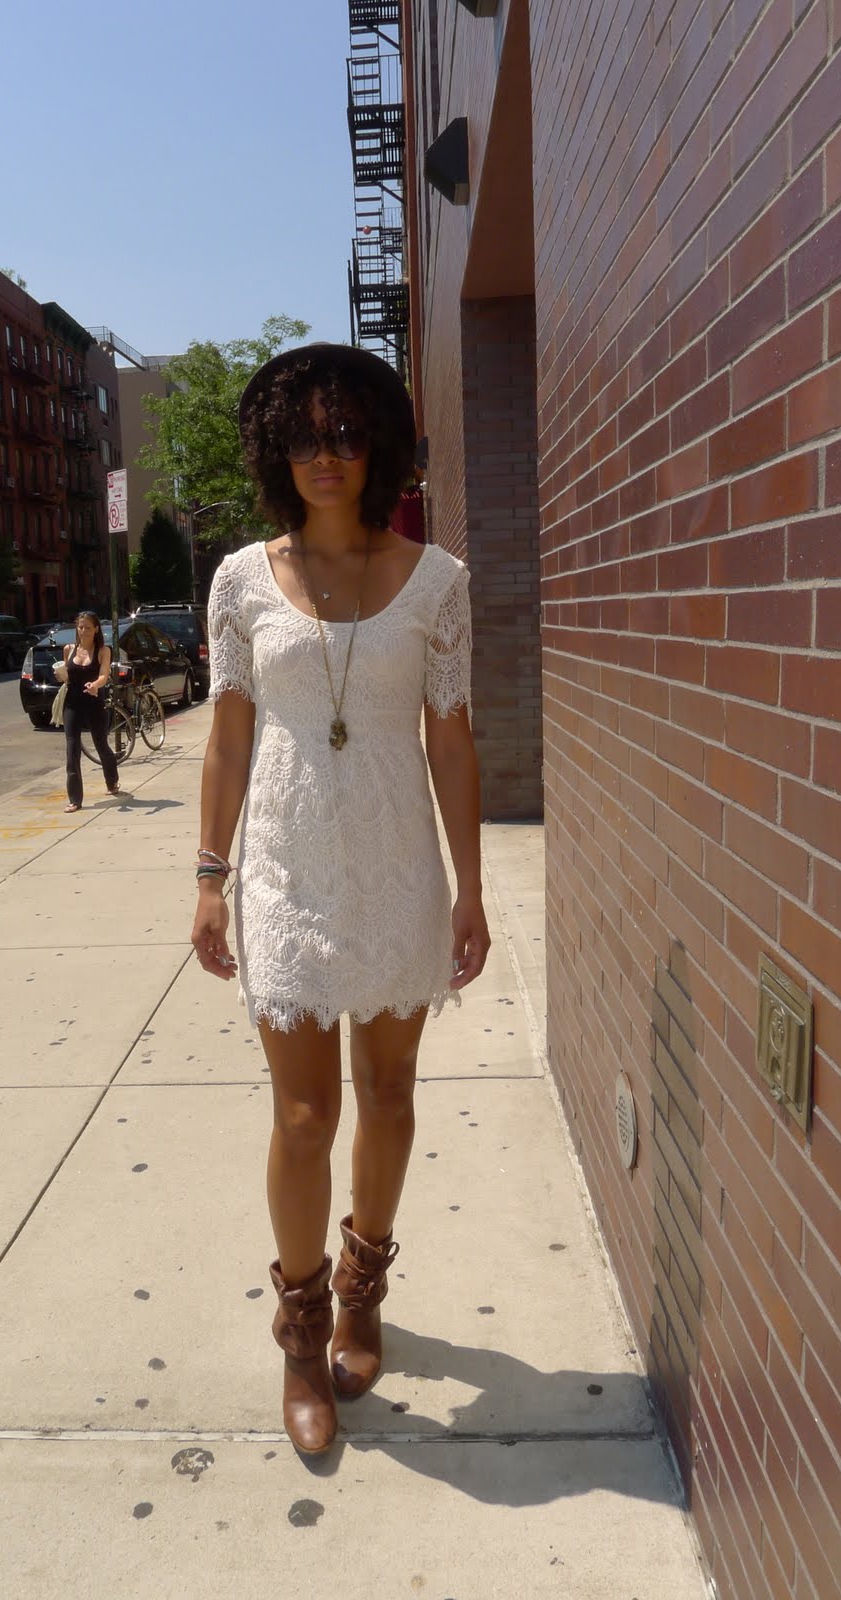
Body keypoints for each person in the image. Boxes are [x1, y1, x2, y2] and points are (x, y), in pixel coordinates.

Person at [190, 343, 490, 1455]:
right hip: (281, 867)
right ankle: (303, 1333)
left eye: (349, 433)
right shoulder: (236, 580)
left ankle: (365, 1286)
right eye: (308, 435)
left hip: (399, 865)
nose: (329, 454)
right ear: (281, 447)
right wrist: (209, 878)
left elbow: (451, 745)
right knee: (305, 1114)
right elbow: (225, 739)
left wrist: (470, 886)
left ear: (383, 446)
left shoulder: (439, 583)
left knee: (393, 1092)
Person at [60, 610, 120, 812]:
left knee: (101, 744)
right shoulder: (69, 649)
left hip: (94, 702)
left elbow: (104, 675)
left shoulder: (103, 650)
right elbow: (67, 676)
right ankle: (75, 799)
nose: (83, 631)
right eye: (80, 627)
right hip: (72, 703)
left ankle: (112, 781)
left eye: (87, 627)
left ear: (95, 629)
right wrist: (61, 675)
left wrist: (96, 685)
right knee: (72, 747)